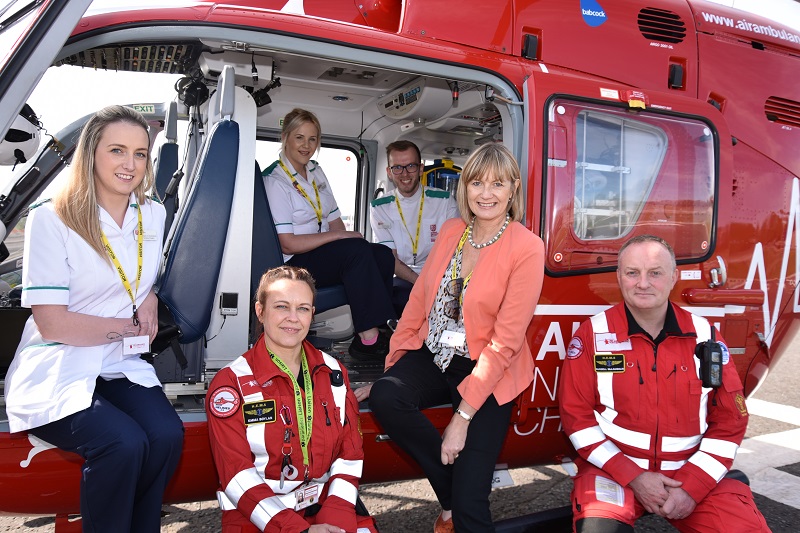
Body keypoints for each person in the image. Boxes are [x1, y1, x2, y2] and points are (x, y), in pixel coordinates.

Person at [3, 105, 184, 532]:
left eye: (140, 153)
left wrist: (150, 296)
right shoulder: (53, 218)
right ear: (91, 154)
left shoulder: (153, 214)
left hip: (118, 362)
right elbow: (53, 323)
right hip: (59, 359)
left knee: (166, 437)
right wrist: (127, 329)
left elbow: (142, 276)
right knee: (122, 443)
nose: (130, 164)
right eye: (117, 150)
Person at [356, 142, 545, 532]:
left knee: (471, 508)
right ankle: (451, 491)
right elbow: (419, 301)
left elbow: (505, 344)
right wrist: (393, 369)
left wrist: (461, 419)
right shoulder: (452, 230)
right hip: (437, 353)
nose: (486, 194)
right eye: (477, 183)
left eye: (497, 184)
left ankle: (460, 499)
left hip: (487, 369)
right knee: (387, 395)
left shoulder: (527, 247)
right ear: (465, 188)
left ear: (513, 189)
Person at [558, 235, 770, 532]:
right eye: (632, 272)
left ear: (674, 277)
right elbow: (576, 417)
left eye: (655, 273)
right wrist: (633, 476)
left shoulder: (705, 336)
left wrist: (693, 486)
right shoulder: (592, 334)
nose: (643, 283)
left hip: (689, 472)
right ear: (619, 277)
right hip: (614, 472)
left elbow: (730, 420)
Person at [206, 266, 371, 533]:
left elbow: (350, 453)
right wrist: (297, 530)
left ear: (312, 315)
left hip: (324, 507)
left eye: (303, 308)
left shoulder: (333, 372)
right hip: (258, 518)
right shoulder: (231, 384)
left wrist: (337, 512)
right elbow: (235, 474)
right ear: (260, 311)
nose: (293, 318)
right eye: (282, 306)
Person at [263, 108, 395, 360]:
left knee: (382, 254)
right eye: (299, 138)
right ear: (285, 137)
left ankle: (379, 330)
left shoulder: (316, 171)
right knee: (355, 251)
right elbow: (287, 244)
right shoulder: (275, 180)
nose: (306, 146)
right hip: (294, 261)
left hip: (320, 254)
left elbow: (335, 223)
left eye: (312, 139)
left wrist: (344, 238)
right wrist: (340, 239)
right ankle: (368, 340)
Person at [370, 140, 459, 315]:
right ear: (389, 172)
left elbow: (453, 253)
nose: (404, 174)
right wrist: (421, 284)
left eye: (411, 166)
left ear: (420, 169)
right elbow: (390, 260)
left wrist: (435, 284)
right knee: (400, 299)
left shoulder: (444, 201)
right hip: (402, 277)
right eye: (397, 167)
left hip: (439, 275)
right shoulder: (380, 207)